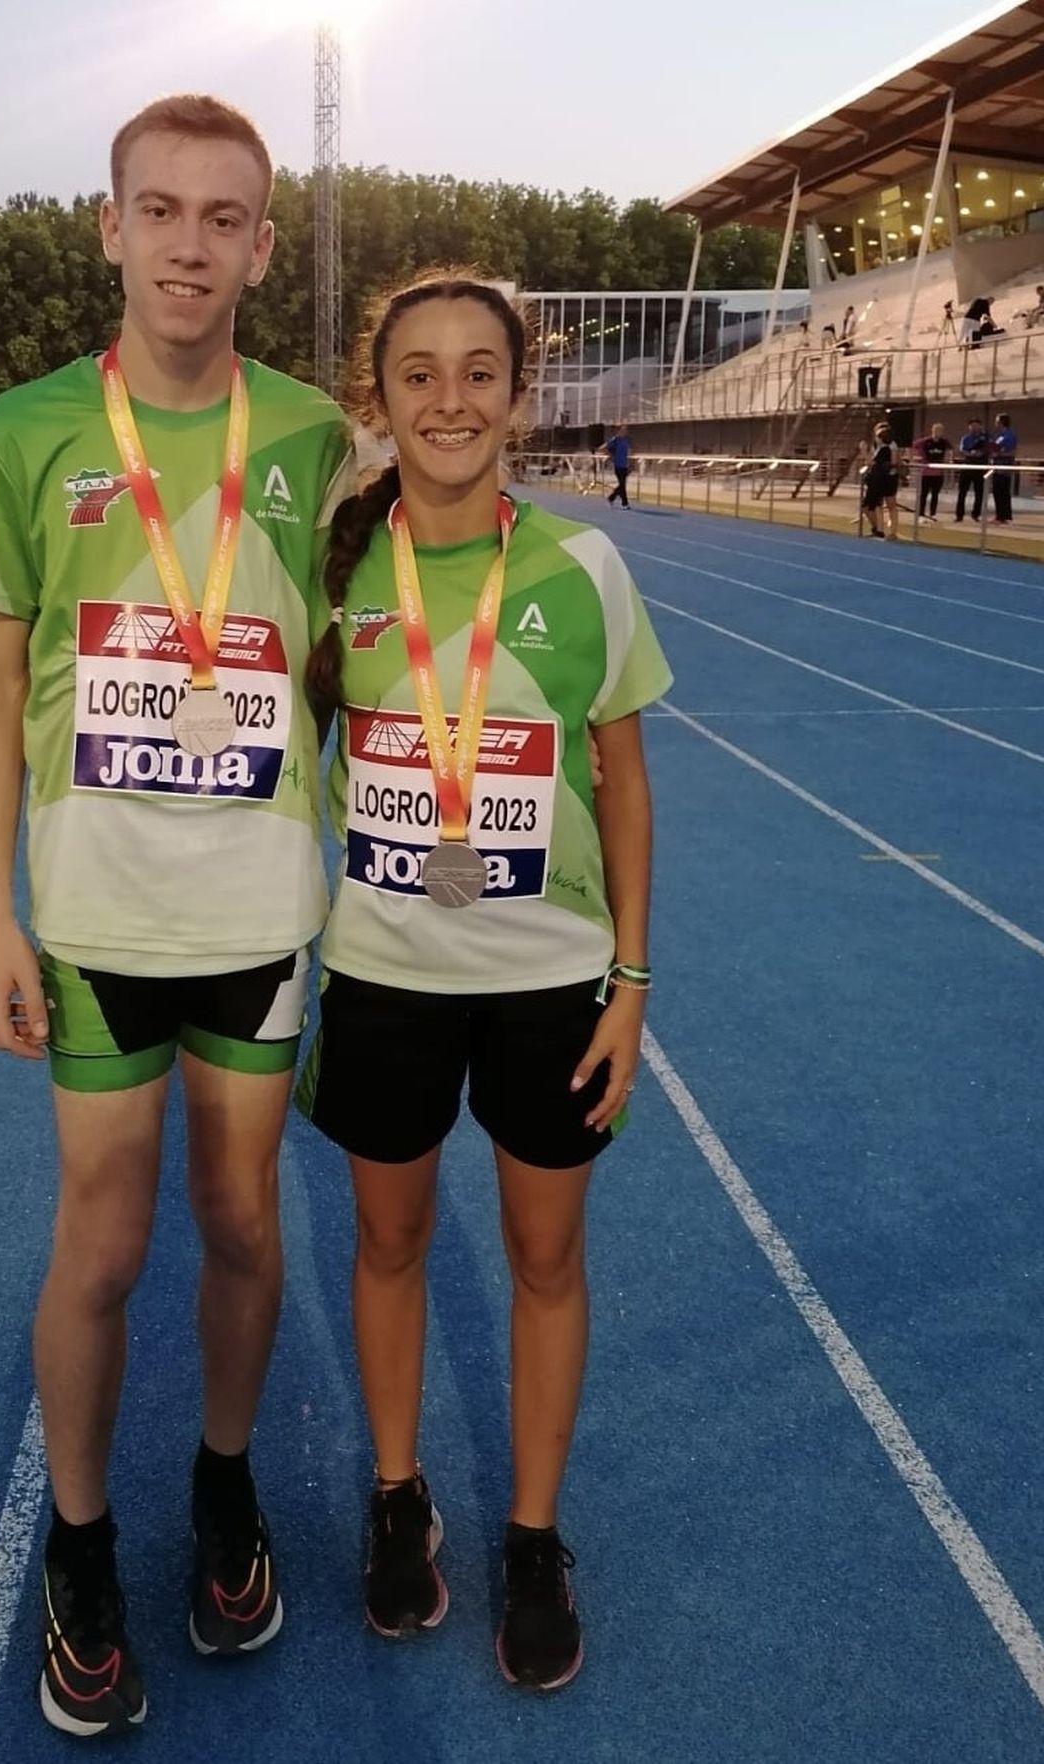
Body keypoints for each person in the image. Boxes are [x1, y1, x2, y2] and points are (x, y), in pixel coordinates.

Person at [0, 93, 352, 1738]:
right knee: (104, 1242)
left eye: (225, 216)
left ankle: (226, 1482)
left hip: (261, 908)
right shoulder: (28, 428)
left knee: (247, 1222)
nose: (192, 243)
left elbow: (370, 641)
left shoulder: (320, 437)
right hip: (99, 914)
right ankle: (83, 1535)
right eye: (161, 210)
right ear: (108, 226)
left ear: (264, 242)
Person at [299, 273, 670, 1692]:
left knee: (545, 1260)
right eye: (418, 376)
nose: (449, 403)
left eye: (477, 375)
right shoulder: (337, 576)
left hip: (550, 979)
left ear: (520, 396)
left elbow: (625, 784)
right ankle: (398, 1497)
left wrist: (631, 977)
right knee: (387, 1247)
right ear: (379, 400)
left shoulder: (584, 571)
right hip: (386, 969)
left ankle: (531, 1534)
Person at [860, 420, 900, 538]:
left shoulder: (888, 448)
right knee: (879, 505)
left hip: (884, 478)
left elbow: (890, 463)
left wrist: (863, 452)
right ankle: (880, 529)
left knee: (887, 505)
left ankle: (890, 531)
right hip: (883, 478)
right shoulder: (880, 447)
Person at [955, 418, 988, 521]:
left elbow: (989, 449)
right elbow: (962, 450)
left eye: (976, 426)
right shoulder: (965, 438)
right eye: (972, 426)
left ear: (980, 426)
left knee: (979, 493)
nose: (974, 428)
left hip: (979, 468)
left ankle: (976, 515)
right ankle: (959, 515)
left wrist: (980, 453)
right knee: (962, 492)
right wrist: (971, 453)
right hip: (967, 467)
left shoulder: (985, 438)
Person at [915, 423, 950, 520]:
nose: (938, 432)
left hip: (938, 473)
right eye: (936, 430)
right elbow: (914, 445)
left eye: (940, 431)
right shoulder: (926, 441)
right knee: (924, 494)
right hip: (926, 472)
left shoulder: (944, 442)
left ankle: (933, 513)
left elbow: (950, 451)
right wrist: (916, 458)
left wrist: (948, 459)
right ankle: (921, 513)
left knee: (935, 494)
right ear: (933, 431)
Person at [990, 411, 1018, 524]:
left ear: (1001, 422)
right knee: (998, 491)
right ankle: (1001, 515)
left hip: (1004, 468)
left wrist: (999, 454)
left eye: (997, 421)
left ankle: (1002, 516)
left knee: (1002, 492)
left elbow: (1012, 452)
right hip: (997, 466)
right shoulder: (1000, 436)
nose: (995, 423)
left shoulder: (1009, 435)